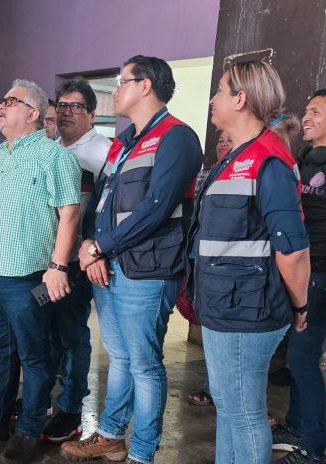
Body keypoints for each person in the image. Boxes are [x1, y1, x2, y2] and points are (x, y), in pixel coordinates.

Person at [61, 55, 203, 464]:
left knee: (143, 363)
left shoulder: (178, 137)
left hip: (148, 268)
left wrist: (101, 248)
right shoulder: (124, 139)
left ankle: (142, 451)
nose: (117, 89)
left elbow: (157, 208)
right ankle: (110, 434)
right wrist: (92, 246)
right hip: (110, 264)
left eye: (123, 81)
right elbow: (102, 202)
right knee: (119, 357)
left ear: (146, 86)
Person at [0, 79, 81, 464]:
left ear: (33, 113)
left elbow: (69, 213)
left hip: (27, 278)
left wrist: (58, 267)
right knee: (1, 353)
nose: (2, 106)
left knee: (35, 356)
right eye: (3, 100)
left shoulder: (54, 157)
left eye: (11, 101)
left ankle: (28, 431)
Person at [190, 60, 310, 464]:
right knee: (230, 410)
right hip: (226, 305)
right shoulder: (235, 156)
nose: (213, 98)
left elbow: (292, 248)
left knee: (242, 414)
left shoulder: (268, 161)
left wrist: (299, 305)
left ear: (240, 99)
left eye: (221, 90)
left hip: (247, 311)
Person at [40, 78, 111, 444]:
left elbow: (110, 209)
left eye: (75, 106)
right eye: (62, 105)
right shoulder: (49, 147)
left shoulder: (103, 153)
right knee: (46, 333)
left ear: (92, 114)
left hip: (75, 265)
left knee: (72, 336)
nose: (66, 112)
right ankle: (46, 400)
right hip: (43, 261)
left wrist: (93, 248)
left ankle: (70, 409)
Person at [271, 89, 326, 464]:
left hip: (320, 272)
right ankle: (295, 425)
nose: (306, 117)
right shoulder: (305, 158)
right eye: (307, 110)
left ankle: (313, 444)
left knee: (304, 358)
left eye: (316, 111)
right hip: (307, 272)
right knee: (297, 357)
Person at [185, 129, 233, 407]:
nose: (223, 144)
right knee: (206, 322)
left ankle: (220, 390)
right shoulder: (204, 175)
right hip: (197, 257)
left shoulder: (245, 173)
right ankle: (212, 385)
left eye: (229, 139)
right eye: (220, 141)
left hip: (228, 263)